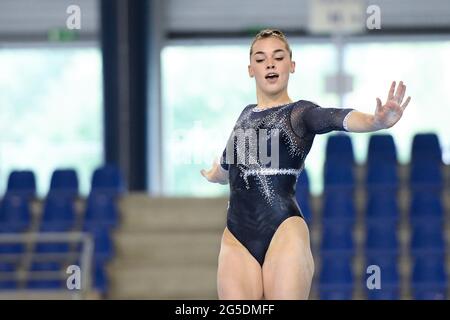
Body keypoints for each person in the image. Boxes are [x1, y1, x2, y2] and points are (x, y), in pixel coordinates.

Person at [200, 29, 411, 300]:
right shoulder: (245, 115)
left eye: (278, 57)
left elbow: (336, 118)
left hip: (283, 231)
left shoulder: (300, 113)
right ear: (251, 69)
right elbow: (229, 165)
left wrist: (375, 121)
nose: (270, 64)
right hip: (236, 236)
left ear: (292, 65)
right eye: (261, 59)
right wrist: (214, 173)